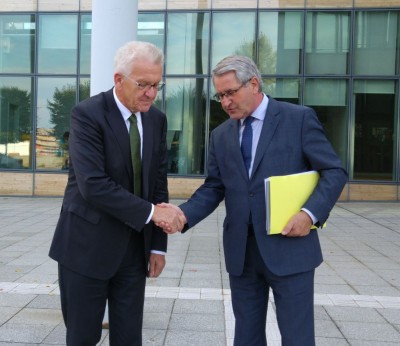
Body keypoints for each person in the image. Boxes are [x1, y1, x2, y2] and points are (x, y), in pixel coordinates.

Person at [159, 55, 347, 345]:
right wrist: (183, 215)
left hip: (290, 247)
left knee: (297, 337)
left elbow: (334, 171)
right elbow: (214, 187)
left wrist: (309, 214)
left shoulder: (298, 119)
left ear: (254, 84)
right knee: (245, 336)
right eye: (220, 95)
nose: (224, 102)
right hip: (242, 253)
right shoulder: (220, 135)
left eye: (230, 92)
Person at [49, 41, 184, 346]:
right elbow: (93, 184)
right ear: (119, 80)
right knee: (83, 337)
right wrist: (152, 214)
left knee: (128, 338)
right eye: (144, 84)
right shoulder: (87, 115)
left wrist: (158, 246)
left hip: (135, 251)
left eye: (157, 85)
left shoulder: (156, 119)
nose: (151, 93)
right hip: (85, 249)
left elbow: (158, 184)